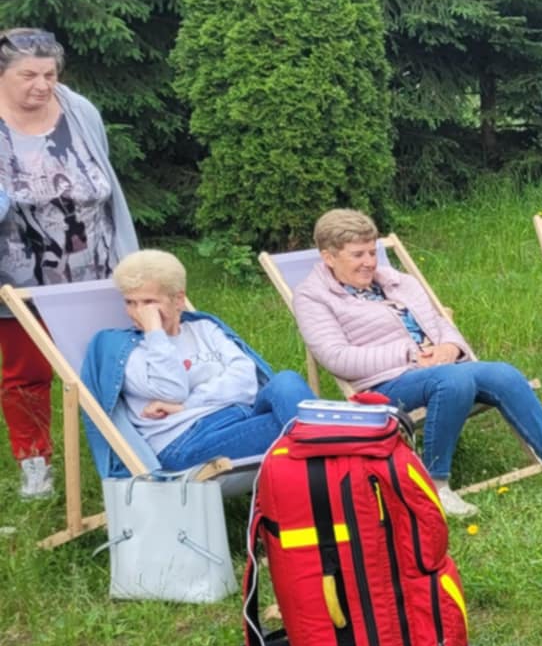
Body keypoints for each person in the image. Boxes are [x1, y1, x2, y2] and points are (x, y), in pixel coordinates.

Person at [292, 208, 542, 516]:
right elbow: (336, 358)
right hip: (385, 383)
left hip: (440, 367)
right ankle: (437, 484)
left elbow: (438, 322)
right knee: (453, 380)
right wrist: (408, 354)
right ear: (329, 257)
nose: (369, 262)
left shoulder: (398, 282)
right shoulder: (313, 297)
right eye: (358, 255)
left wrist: (451, 347)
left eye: (372, 252)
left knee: (505, 374)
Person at [0, 28, 137, 499]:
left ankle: (124, 452)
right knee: (27, 375)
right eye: (28, 75)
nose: (42, 85)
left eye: (50, 74)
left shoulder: (79, 111)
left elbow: (105, 181)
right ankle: (35, 465)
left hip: (96, 270)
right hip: (19, 282)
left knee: (109, 364)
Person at [81, 250, 311, 477]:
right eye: (130, 302)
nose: (138, 312)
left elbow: (246, 381)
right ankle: (325, 468)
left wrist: (188, 405)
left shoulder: (204, 328)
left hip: (240, 418)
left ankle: (322, 458)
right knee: (305, 425)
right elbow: (172, 391)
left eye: (149, 302)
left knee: (287, 381)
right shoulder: (128, 351)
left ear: (178, 300)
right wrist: (155, 333)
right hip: (186, 442)